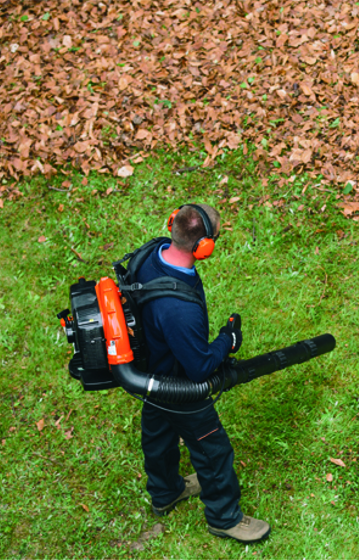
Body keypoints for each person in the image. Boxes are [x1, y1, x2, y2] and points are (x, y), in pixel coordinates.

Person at [135, 203, 270, 543]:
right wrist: (228, 340)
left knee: (158, 432)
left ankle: (166, 492)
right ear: (203, 247)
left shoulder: (150, 255)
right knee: (214, 451)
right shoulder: (179, 310)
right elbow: (200, 368)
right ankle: (225, 518)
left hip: (152, 372)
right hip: (179, 384)